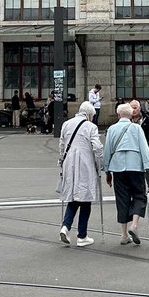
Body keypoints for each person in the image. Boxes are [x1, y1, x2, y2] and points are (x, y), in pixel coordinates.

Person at [104, 103, 149, 245]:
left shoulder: (112, 129)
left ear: (118, 115)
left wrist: (107, 172)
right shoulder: (137, 128)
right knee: (139, 195)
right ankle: (134, 225)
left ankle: (123, 235)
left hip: (118, 167)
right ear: (131, 115)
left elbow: (107, 151)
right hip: (136, 167)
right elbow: (145, 150)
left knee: (122, 199)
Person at [57, 100, 103, 248]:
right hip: (85, 164)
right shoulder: (91, 127)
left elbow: (62, 145)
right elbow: (97, 148)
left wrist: (61, 162)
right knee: (85, 198)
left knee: (73, 196)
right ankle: (82, 235)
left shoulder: (66, 124)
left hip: (69, 163)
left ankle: (66, 226)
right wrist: (99, 165)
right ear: (89, 114)